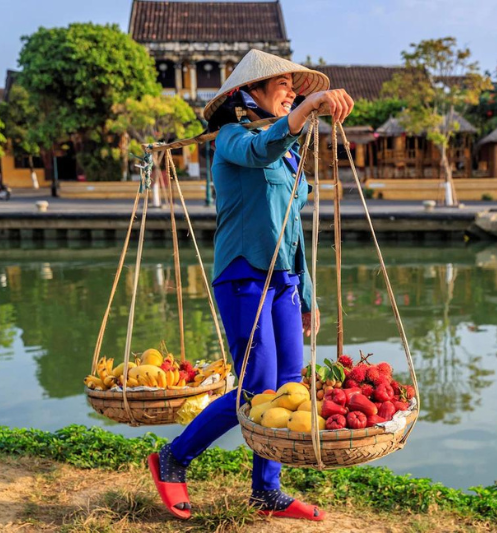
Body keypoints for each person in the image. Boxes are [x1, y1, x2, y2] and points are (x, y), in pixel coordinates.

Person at [147, 49, 354, 522]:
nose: (292, 93)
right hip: (243, 276)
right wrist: (307, 109)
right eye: (283, 85)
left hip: (283, 281)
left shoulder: (289, 155)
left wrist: (306, 296)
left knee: (285, 389)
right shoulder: (232, 139)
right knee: (253, 389)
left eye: (295, 88)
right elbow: (261, 149)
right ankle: (173, 458)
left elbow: (292, 228)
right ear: (250, 93)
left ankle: (267, 492)